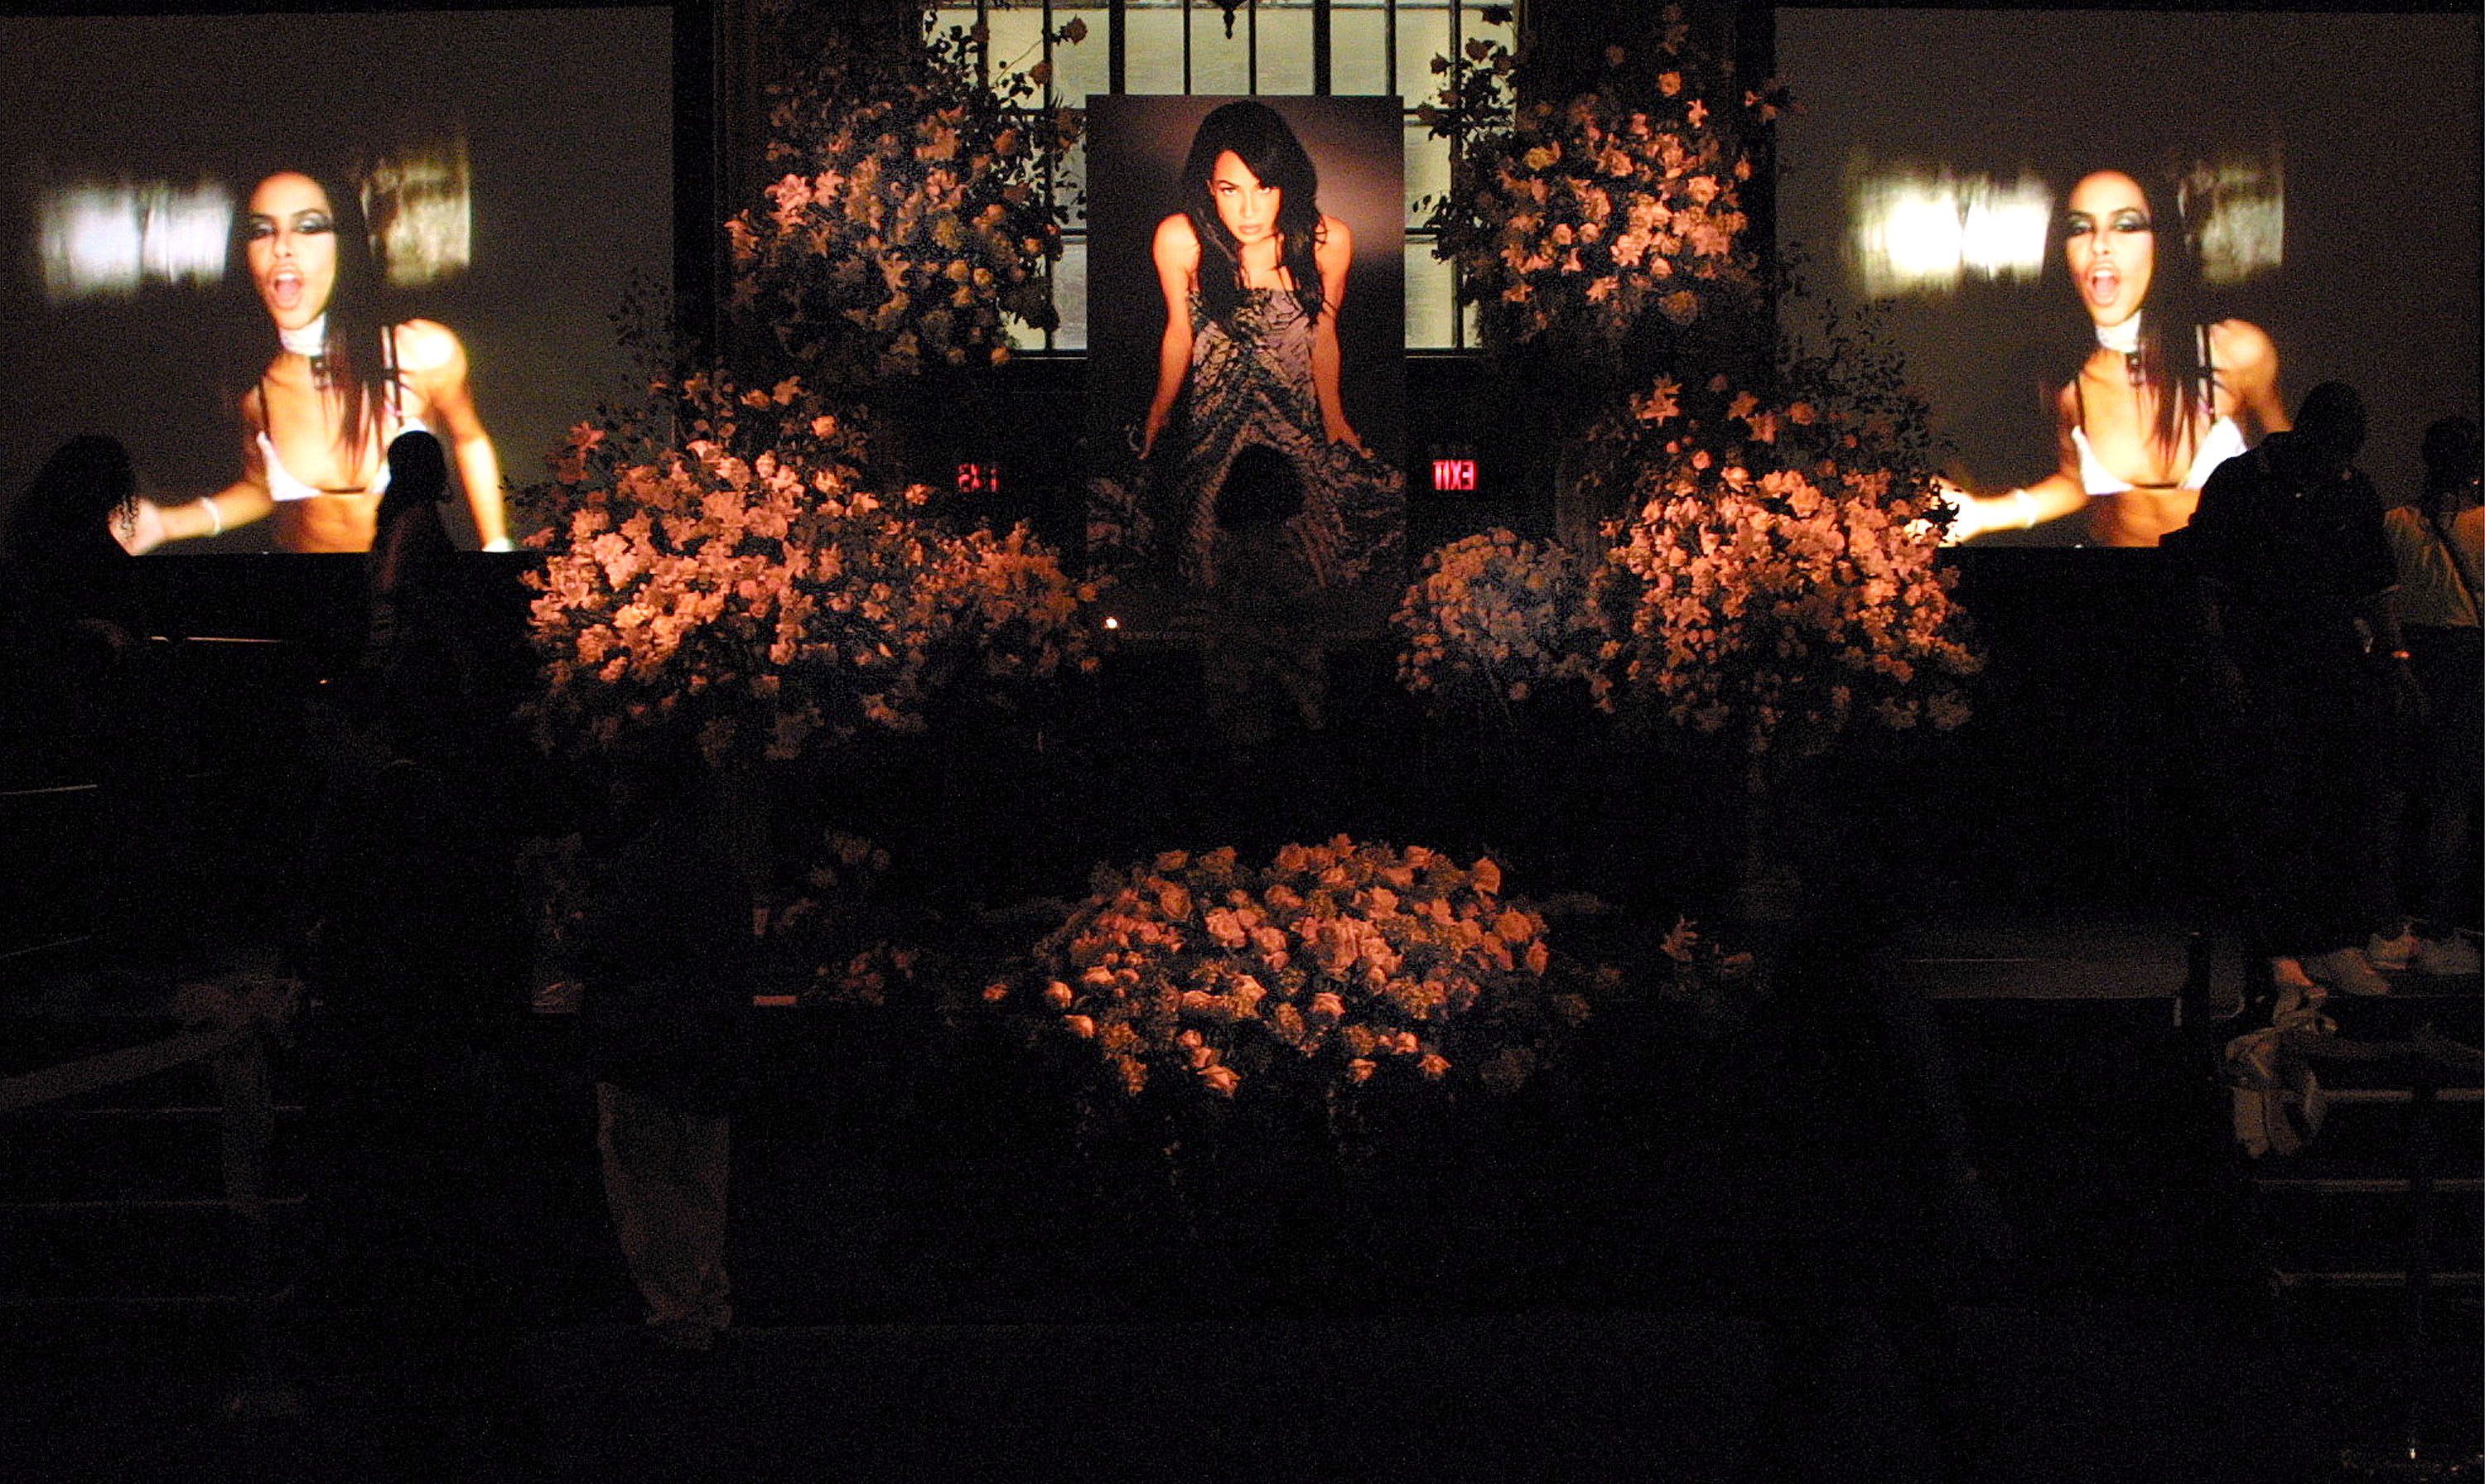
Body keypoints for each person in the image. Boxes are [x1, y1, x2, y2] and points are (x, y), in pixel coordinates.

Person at [2169, 383, 2419, 999]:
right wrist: (2221, 659)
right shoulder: (2239, 481)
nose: (2343, 463)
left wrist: (2398, 656)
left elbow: (2373, 584)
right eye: (2335, 450)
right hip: (2262, 663)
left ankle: (2336, 943)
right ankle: (2279, 952)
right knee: (2275, 806)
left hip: (2333, 664)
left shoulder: (2353, 488)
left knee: (2340, 803)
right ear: (2308, 434)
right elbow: (2206, 581)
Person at [123, 169, 507, 554]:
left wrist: (497, 547)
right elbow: (262, 491)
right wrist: (167, 523)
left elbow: (469, 439)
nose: (282, 247)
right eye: (262, 231)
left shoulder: (424, 353)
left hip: (404, 587)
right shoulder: (259, 391)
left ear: (346, 245)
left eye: (308, 227)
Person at [1946, 168, 2287, 547]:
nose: (2100, 245)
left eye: (2126, 225)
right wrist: (1981, 515)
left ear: (2163, 243)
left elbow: (2303, 468)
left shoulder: (2238, 351)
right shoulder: (2070, 377)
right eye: (2080, 228)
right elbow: (2076, 484)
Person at [1139, 100, 1398, 587]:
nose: (1250, 210)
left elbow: (1325, 335)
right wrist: (1160, 409)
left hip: (1294, 416)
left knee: (1312, 551)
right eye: (1230, 190)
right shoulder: (1181, 239)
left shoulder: (1327, 240)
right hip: (1214, 421)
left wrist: (1335, 417)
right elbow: (1179, 331)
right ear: (1207, 188)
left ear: (1287, 183)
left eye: (1265, 187)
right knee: (1204, 555)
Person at [2376, 416, 2483, 976]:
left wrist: (2398, 661)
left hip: (2420, 660)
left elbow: (2382, 603)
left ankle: (2396, 925)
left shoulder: (2397, 522)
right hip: (2452, 662)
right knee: (2443, 800)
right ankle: (2429, 929)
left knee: (2408, 797)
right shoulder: (2400, 523)